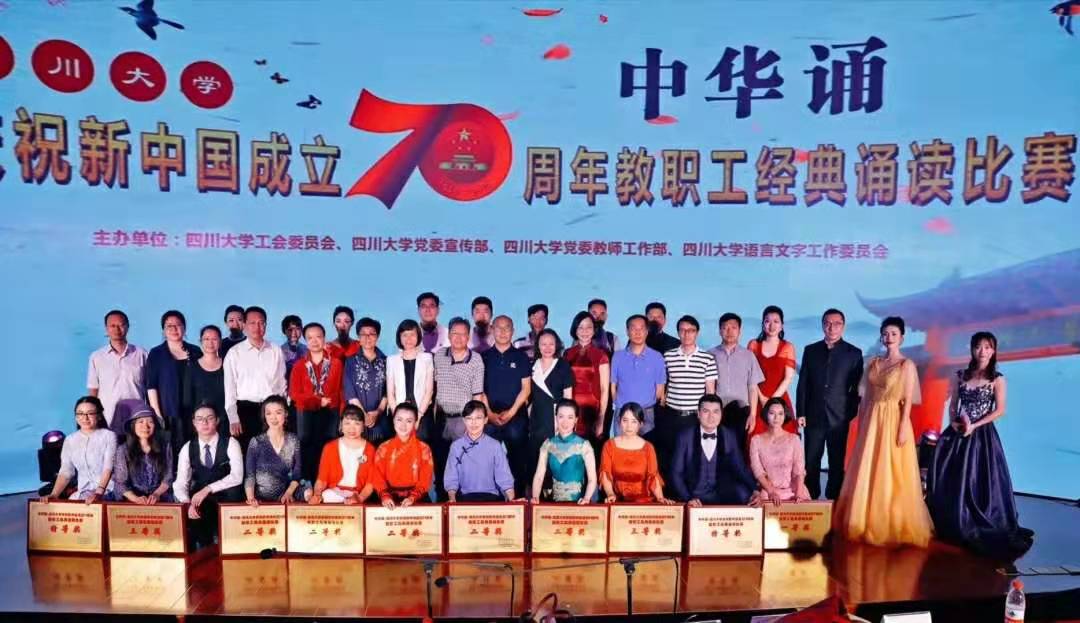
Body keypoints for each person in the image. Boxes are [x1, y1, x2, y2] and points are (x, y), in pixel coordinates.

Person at [926, 332, 1033, 558]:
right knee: (950, 477)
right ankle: (952, 519)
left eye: (987, 347)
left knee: (980, 478)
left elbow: (1000, 410)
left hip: (982, 435)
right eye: (978, 346)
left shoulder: (997, 379)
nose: (982, 351)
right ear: (972, 349)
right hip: (958, 431)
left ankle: (976, 519)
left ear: (993, 351)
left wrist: (975, 425)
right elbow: (953, 404)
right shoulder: (961, 375)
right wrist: (954, 422)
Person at [833, 316, 933, 548]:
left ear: (902, 338)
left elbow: (907, 400)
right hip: (872, 419)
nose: (889, 338)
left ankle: (889, 523)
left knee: (890, 467)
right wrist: (863, 422)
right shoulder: (874, 362)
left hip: (894, 419)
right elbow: (865, 397)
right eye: (885, 334)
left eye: (893, 334)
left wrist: (902, 427)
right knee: (868, 465)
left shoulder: (906, 365)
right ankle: (862, 520)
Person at [796, 309, 863, 500]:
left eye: (836, 323)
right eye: (827, 323)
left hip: (839, 417)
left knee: (836, 460)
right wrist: (801, 412)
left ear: (843, 326)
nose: (831, 327)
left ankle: (835, 498)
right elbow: (803, 384)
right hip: (813, 414)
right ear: (822, 325)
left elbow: (856, 388)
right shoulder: (811, 350)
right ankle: (811, 496)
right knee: (811, 459)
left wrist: (849, 413)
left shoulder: (853, 353)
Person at [173, 403, 244, 549]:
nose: (204, 422)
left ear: (217, 420)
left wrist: (208, 489)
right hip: (202, 501)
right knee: (195, 519)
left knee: (234, 493)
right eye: (199, 419)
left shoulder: (231, 443)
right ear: (194, 423)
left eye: (209, 418)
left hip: (227, 498)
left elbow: (237, 476)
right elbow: (180, 483)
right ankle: (204, 549)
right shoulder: (187, 447)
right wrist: (187, 503)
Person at [432, 317, 487, 497]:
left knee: (462, 463)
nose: (458, 337)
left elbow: (477, 395)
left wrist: (474, 424)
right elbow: (434, 386)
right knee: (440, 462)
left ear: (468, 336)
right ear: (448, 335)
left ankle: (462, 503)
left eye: (463, 334)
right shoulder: (439, 355)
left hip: (463, 420)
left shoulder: (476, 359)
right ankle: (442, 502)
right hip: (441, 418)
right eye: (455, 333)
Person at [669, 394, 757, 505]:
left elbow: (740, 468)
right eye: (706, 411)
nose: (711, 417)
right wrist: (688, 498)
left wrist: (755, 489)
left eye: (716, 412)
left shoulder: (729, 435)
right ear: (698, 413)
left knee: (744, 494)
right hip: (694, 495)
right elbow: (676, 473)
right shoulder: (685, 436)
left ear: (721, 414)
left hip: (721, 492)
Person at [223, 306, 287, 453]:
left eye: (261, 323)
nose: (257, 327)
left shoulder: (275, 350)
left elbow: (282, 384)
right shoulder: (234, 353)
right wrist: (233, 418)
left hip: (271, 410)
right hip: (245, 410)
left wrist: (282, 413)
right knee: (247, 455)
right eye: (252, 323)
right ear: (244, 325)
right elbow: (230, 388)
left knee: (273, 454)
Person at [482, 315, 532, 496]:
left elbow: (526, 389)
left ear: (513, 331)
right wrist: (489, 414)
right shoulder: (483, 357)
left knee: (518, 462)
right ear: (492, 330)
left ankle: (518, 500)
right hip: (489, 418)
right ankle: (490, 499)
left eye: (507, 328)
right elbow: (479, 389)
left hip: (516, 416)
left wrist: (511, 413)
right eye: (499, 327)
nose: (503, 332)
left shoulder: (521, 357)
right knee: (487, 462)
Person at [289, 322, 344, 484]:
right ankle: (307, 485)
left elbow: (342, 392)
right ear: (305, 341)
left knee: (329, 446)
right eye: (310, 338)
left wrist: (342, 416)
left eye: (318, 337)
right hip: (306, 412)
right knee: (306, 446)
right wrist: (318, 401)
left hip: (331, 412)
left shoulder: (336, 363)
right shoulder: (299, 365)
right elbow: (294, 394)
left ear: (325, 339)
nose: (314, 341)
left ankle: (327, 483)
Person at [40, 396, 116, 503]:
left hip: (107, 491)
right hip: (82, 492)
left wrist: (98, 493)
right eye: (80, 413)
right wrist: (54, 494)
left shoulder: (109, 436)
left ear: (99, 416)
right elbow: (66, 471)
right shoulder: (70, 440)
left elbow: (108, 468)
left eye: (90, 413)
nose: (85, 418)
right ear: (76, 417)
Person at [708, 313, 764, 456]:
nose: (729, 331)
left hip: (741, 410)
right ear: (719, 330)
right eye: (725, 328)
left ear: (740, 331)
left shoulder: (748, 356)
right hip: (717, 410)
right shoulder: (710, 355)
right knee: (717, 450)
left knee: (738, 452)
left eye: (733, 327)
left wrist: (752, 415)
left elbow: (752, 387)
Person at [146, 310, 202, 454]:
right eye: (169, 326)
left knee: (194, 451)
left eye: (178, 325)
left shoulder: (195, 351)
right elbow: (151, 386)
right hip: (168, 413)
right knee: (171, 452)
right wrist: (157, 414)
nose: (174, 329)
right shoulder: (156, 353)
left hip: (194, 412)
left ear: (184, 328)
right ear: (163, 330)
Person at [661, 314, 718, 449]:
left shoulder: (707, 358)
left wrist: (707, 417)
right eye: (682, 330)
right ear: (678, 332)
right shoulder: (668, 356)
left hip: (695, 416)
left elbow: (710, 391)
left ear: (697, 333)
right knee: (671, 452)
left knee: (693, 453)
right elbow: (663, 384)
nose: (686, 334)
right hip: (672, 414)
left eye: (691, 330)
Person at [599, 403, 672, 503]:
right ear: (619, 421)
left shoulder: (648, 448)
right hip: (617, 500)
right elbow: (605, 474)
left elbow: (653, 477)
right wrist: (610, 494)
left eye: (634, 421)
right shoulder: (609, 446)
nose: (629, 426)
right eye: (625, 420)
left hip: (644, 501)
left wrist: (660, 498)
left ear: (640, 424)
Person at [86, 309, 147, 431]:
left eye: (121, 325)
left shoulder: (142, 354)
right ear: (106, 328)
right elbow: (93, 390)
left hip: (137, 417)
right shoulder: (97, 357)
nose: (117, 329)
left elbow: (150, 388)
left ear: (128, 327)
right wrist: (93, 416)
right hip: (108, 417)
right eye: (112, 326)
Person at [444, 401, 516, 502]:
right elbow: (451, 477)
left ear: (485, 420)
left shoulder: (495, 445)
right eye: (469, 418)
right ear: (464, 420)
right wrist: (452, 499)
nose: (474, 423)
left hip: (491, 498)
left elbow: (504, 477)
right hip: (464, 498)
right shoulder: (456, 446)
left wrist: (512, 499)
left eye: (478, 418)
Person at [531, 399, 597, 504]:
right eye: (561, 416)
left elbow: (592, 479)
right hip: (555, 503)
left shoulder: (584, 445)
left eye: (570, 417)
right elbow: (539, 476)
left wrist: (586, 498)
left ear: (576, 420)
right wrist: (535, 497)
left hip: (579, 504)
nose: (565, 422)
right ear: (556, 417)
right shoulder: (548, 444)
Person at [244, 396, 308, 505]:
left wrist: (288, 493)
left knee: (308, 493)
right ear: (264, 416)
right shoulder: (256, 442)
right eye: (268, 413)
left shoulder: (293, 440)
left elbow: (297, 474)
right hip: (261, 497)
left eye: (278, 413)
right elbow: (250, 476)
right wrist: (251, 498)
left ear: (286, 414)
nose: (273, 418)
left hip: (286, 493)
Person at [609, 315, 665, 438]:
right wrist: (620, 406)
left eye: (641, 328)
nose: (638, 332)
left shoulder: (657, 357)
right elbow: (613, 386)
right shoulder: (617, 356)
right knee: (621, 448)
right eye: (633, 328)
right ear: (627, 331)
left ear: (647, 331)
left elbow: (660, 389)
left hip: (646, 414)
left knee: (646, 448)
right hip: (622, 413)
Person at [749, 398, 811, 506]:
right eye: (772, 413)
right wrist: (771, 492)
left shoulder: (794, 439)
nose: (776, 418)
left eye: (780, 414)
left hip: (794, 489)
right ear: (766, 414)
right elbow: (758, 471)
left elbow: (799, 470)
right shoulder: (756, 440)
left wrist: (799, 492)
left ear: (785, 415)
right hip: (768, 491)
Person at [371, 403, 435, 509]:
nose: (403, 425)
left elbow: (425, 479)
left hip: (417, 498)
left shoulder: (424, 449)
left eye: (409, 421)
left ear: (416, 423)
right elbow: (377, 476)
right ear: (393, 420)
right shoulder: (383, 448)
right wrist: (385, 496)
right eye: (399, 419)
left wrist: (413, 497)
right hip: (388, 499)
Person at [748, 306, 798, 438]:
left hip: (779, 400)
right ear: (763, 324)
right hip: (756, 399)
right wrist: (762, 398)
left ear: (782, 325)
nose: (771, 325)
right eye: (767, 321)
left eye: (776, 321)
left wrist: (772, 401)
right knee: (755, 438)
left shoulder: (787, 347)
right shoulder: (753, 345)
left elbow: (788, 378)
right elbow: (750, 376)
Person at [309, 405, 376, 504]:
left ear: (363, 427)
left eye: (357, 424)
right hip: (333, 493)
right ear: (341, 425)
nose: (352, 428)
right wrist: (317, 494)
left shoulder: (370, 449)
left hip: (357, 494)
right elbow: (322, 479)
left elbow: (370, 483)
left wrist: (360, 498)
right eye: (347, 423)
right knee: (326, 496)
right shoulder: (330, 447)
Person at [529, 328, 575, 472]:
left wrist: (565, 420)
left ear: (557, 345)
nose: (547, 348)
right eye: (543, 344)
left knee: (556, 458)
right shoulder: (533, 366)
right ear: (538, 346)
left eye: (551, 344)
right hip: (537, 417)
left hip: (556, 417)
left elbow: (568, 397)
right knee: (536, 457)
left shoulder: (563, 365)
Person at [564, 311, 610, 449]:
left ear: (594, 330)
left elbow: (604, 389)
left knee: (590, 452)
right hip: (570, 409)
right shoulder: (567, 354)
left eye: (589, 327)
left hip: (592, 411)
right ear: (575, 329)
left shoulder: (601, 355)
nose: (585, 331)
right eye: (581, 327)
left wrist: (601, 418)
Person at [112, 403, 173, 503]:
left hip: (159, 496)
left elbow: (168, 477)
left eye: (150, 422)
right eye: (141, 422)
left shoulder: (165, 447)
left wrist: (156, 494)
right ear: (133, 426)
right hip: (131, 498)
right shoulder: (123, 450)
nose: (146, 426)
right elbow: (120, 483)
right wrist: (135, 499)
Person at [386, 319, 435, 440]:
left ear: (418, 336)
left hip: (422, 412)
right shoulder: (391, 360)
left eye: (412, 334)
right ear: (399, 337)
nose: (408, 339)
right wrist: (398, 417)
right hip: (399, 412)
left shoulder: (427, 358)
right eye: (404, 335)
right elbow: (390, 393)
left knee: (422, 444)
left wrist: (418, 416)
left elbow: (429, 391)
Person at [344, 317, 388, 443]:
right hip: (357, 418)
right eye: (363, 334)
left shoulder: (386, 361)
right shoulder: (350, 361)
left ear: (377, 336)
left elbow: (388, 391)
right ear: (358, 337)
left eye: (372, 334)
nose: (367, 338)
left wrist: (377, 412)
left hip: (380, 417)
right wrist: (363, 415)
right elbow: (350, 392)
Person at [190, 325, 228, 439]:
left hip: (226, 420)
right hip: (202, 423)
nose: (210, 343)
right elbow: (188, 399)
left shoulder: (228, 363)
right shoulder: (192, 367)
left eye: (214, 339)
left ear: (220, 341)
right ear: (200, 341)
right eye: (206, 339)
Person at [280, 314, 307, 384]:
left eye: (297, 329)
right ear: (284, 331)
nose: (294, 333)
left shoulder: (307, 350)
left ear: (301, 330)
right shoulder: (279, 351)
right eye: (290, 330)